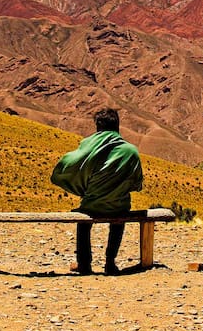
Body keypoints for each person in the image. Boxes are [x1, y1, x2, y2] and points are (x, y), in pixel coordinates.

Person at [51, 108, 143, 275]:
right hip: (119, 206)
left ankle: (84, 264)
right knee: (119, 220)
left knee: (83, 222)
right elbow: (137, 183)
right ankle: (110, 262)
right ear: (117, 126)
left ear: (98, 127)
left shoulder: (88, 148)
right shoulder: (131, 151)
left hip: (92, 205)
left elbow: (70, 164)